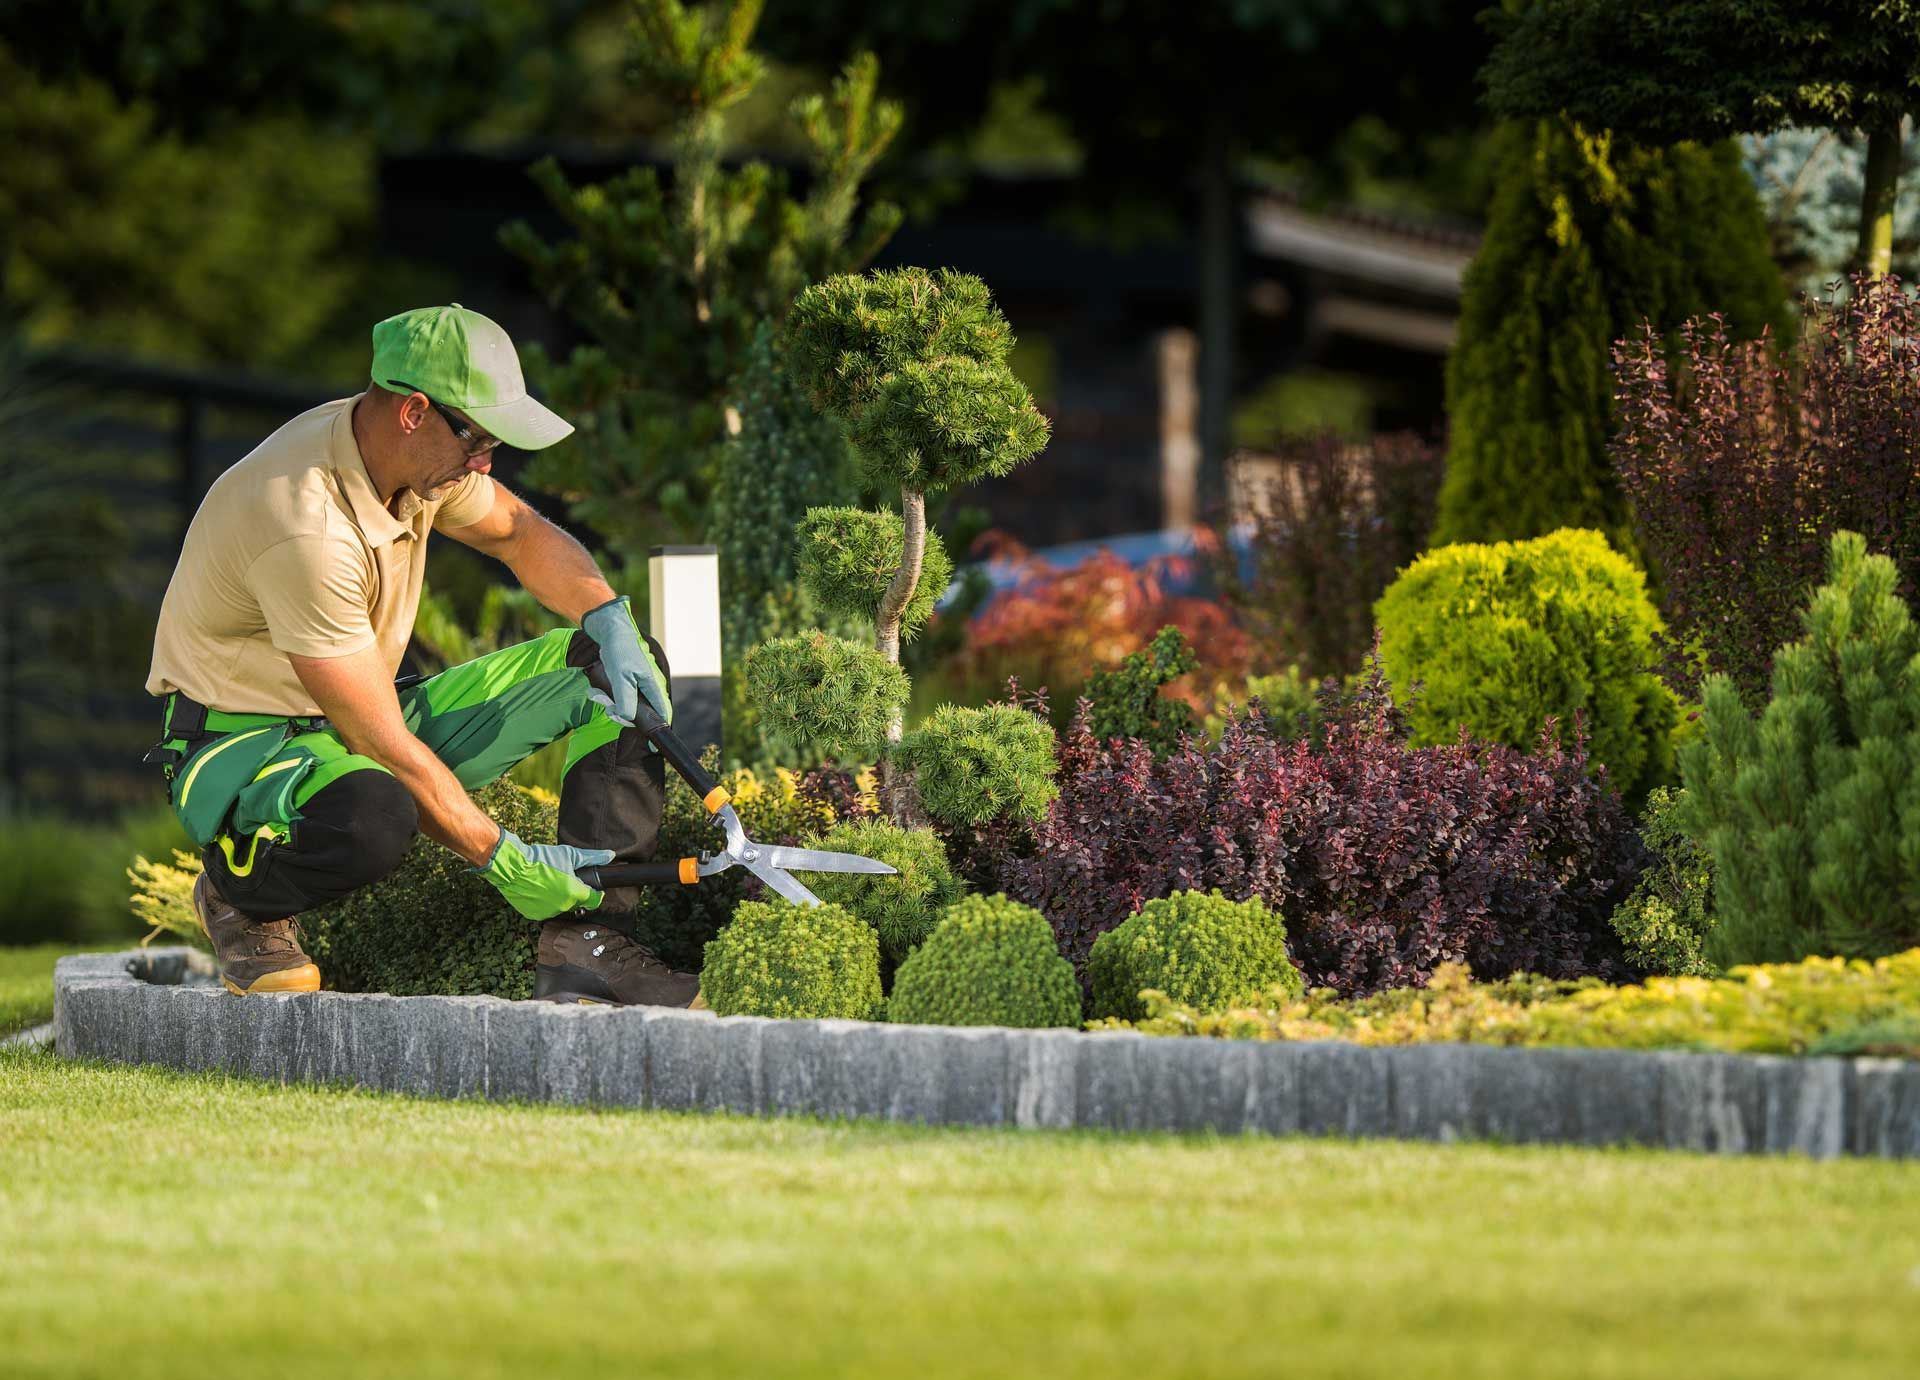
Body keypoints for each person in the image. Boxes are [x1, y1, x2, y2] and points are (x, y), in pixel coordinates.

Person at [143, 303, 696, 1006]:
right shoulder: (305, 525)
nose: (486, 462)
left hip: (357, 710)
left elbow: (520, 534)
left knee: (616, 670)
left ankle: (587, 943)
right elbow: (380, 743)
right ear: (413, 412)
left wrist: (606, 612)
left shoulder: (411, 464)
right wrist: (505, 858)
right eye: (477, 439)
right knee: (374, 814)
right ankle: (237, 890)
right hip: (245, 745)